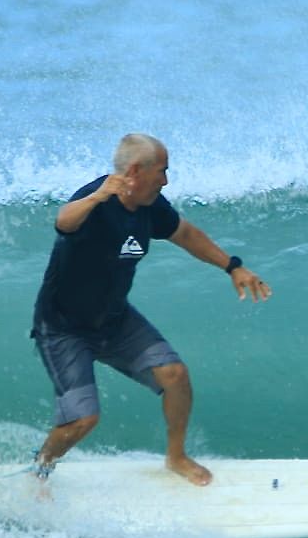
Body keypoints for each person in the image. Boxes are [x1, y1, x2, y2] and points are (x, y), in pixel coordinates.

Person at [29, 133, 271, 487]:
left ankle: (176, 457)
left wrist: (232, 266)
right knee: (82, 420)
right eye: (162, 171)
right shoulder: (96, 200)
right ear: (136, 170)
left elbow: (184, 233)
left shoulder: (150, 205)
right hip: (64, 328)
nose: (166, 180)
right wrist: (97, 196)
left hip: (114, 319)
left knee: (175, 376)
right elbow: (65, 221)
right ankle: (41, 470)